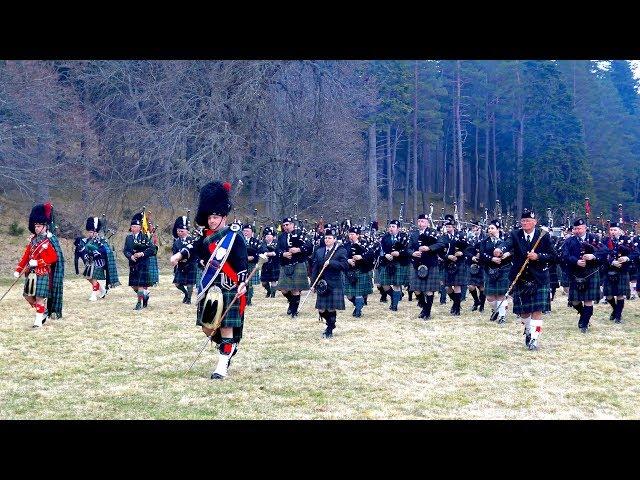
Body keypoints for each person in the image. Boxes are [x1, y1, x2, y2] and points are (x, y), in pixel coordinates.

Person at [171, 181, 249, 380]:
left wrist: (242, 282)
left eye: (216, 217)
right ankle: (228, 348)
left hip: (229, 285)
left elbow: (241, 262)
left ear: (224, 216)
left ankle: (221, 366)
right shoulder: (205, 236)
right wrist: (179, 256)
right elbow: (193, 249)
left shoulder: (234, 236)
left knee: (225, 326)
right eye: (210, 217)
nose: (212, 221)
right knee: (208, 327)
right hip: (209, 286)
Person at [495, 209, 556, 350]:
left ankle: (534, 339)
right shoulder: (515, 234)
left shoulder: (543, 235)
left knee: (537, 310)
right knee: (524, 313)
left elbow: (554, 256)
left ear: (535, 222)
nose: (525, 223)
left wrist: (538, 256)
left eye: (528, 221)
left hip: (539, 278)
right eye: (523, 221)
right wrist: (499, 250)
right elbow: (506, 244)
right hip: (520, 278)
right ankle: (528, 330)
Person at [13, 202, 63, 328]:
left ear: (45, 226)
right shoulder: (33, 241)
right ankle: (43, 311)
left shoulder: (48, 241)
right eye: (35, 225)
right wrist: (18, 269)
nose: (36, 228)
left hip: (43, 273)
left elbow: (53, 258)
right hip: (31, 274)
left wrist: (38, 262)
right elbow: (26, 256)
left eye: (39, 225)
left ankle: (38, 321)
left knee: (40, 297)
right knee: (27, 296)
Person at [561, 219, 607, 332]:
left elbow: (605, 251)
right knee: (574, 301)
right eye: (575, 229)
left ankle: (584, 324)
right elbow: (564, 255)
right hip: (576, 272)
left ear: (585, 228)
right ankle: (584, 315)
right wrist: (576, 261)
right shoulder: (569, 241)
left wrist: (593, 256)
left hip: (591, 272)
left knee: (588, 300)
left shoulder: (594, 239)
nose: (577, 230)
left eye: (580, 228)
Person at [311, 226, 349, 338]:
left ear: (334, 239)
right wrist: (313, 283)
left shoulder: (340, 250)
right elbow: (315, 269)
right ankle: (330, 324)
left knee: (331, 307)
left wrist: (331, 262)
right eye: (326, 237)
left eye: (330, 238)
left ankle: (329, 329)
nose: (327, 240)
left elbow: (344, 265)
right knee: (321, 309)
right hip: (322, 283)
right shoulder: (319, 251)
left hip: (335, 282)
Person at [407, 214, 445, 319]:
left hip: (430, 263)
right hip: (416, 264)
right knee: (416, 289)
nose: (420, 223)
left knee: (429, 290)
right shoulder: (413, 234)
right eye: (419, 221)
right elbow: (408, 248)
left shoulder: (433, 232)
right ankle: (424, 307)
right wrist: (413, 253)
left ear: (427, 222)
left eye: (422, 221)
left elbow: (441, 244)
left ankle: (427, 312)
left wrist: (429, 248)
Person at [76, 217, 120, 301]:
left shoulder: (102, 240)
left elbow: (107, 251)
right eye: (89, 232)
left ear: (96, 232)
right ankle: (102, 290)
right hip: (89, 262)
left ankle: (94, 294)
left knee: (94, 276)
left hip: (99, 262)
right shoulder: (86, 240)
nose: (90, 234)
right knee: (88, 277)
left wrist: (97, 252)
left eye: (92, 232)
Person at [600, 222, 637, 323]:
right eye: (611, 230)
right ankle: (615, 309)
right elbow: (602, 254)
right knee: (608, 295)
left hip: (622, 270)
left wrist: (627, 257)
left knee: (620, 294)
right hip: (609, 270)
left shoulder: (626, 240)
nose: (612, 232)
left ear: (620, 231)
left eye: (615, 230)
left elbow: (635, 252)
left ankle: (618, 316)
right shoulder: (605, 241)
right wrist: (612, 261)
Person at [276, 218, 312, 318]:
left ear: (292, 224)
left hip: (298, 263)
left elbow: (309, 246)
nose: (285, 227)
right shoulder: (281, 236)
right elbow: (277, 249)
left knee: (295, 289)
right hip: (285, 264)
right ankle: (292, 303)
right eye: (284, 225)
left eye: (287, 225)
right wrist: (283, 254)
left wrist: (299, 249)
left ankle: (294, 312)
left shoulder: (300, 234)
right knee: (283, 289)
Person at [478, 219, 511, 324]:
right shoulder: (484, 241)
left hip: (503, 269)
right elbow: (482, 254)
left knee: (501, 294)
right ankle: (495, 310)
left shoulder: (505, 240)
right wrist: (491, 259)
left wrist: (508, 254)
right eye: (489, 228)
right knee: (490, 296)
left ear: (498, 229)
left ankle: (502, 317)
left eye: (492, 228)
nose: (490, 230)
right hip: (489, 269)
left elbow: (513, 250)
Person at [123, 212, 157, 310]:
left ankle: (138, 303)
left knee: (140, 284)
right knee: (134, 286)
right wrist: (130, 256)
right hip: (133, 264)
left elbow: (152, 249)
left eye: (135, 226)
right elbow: (126, 250)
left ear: (139, 227)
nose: (133, 228)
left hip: (143, 263)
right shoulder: (128, 238)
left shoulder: (145, 237)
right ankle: (144, 295)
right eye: (132, 226)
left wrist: (142, 254)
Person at [375, 220, 410, 311]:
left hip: (399, 263)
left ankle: (394, 305)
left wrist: (399, 253)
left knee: (396, 285)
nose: (391, 228)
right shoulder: (384, 237)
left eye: (393, 226)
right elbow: (380, 249)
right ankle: (397, 296)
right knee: (384, 284)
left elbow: (407, 250)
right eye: (390, 226)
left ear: (398, 228)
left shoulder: (404, 237)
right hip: (387, 263)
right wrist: (385, 254)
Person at [343, 225, 375, 318]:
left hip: (362, 270)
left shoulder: (365, 243)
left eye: (352, 234)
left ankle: (358, 311)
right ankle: (358, 305)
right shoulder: (346, 245)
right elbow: (341, 256)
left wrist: (361, 257)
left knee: (358, 293)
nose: (350, 236)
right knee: (349, 295)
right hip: (350, 272)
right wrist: (347, 260)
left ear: (357, 235)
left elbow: (371, 254)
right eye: (349, 234)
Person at [441, 219, 470, 316]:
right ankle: (456, 303)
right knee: (447, 287)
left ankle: (457, 308)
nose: (448, 228)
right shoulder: (443, 238)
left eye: (450, 226)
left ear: (454, 227)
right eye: (447, 226)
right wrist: (447, 256)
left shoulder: (461, 235)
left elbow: (469, 248)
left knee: (457, 286)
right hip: (447, 263)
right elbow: (440, 252)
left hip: (459, 263)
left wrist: (462, 253)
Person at [171, 215, 198, 304]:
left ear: (186, 231)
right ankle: (186, 294)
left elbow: (195, 253)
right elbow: (174, 252)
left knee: (190, 284)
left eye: (181, 231)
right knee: (177, 284)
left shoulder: (193, 240)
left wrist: (189, 260)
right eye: (178, 231)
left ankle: (189, 299)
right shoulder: (176, 242)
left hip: (191, 264)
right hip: (181, 265)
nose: (179, 233)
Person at [259, 226, 280, 298]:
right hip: (265, 264)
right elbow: (261, 251)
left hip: (274, 264)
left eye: (269, 235)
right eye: (266, 236)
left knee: (273, 281)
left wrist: (267, 253)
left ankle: (273, 295)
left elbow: (276, 252)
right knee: (264, 282)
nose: (267, 237)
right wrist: (269, 253)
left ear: (272, 236)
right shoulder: (262, 243)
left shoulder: (276, 243)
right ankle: (269, 291)